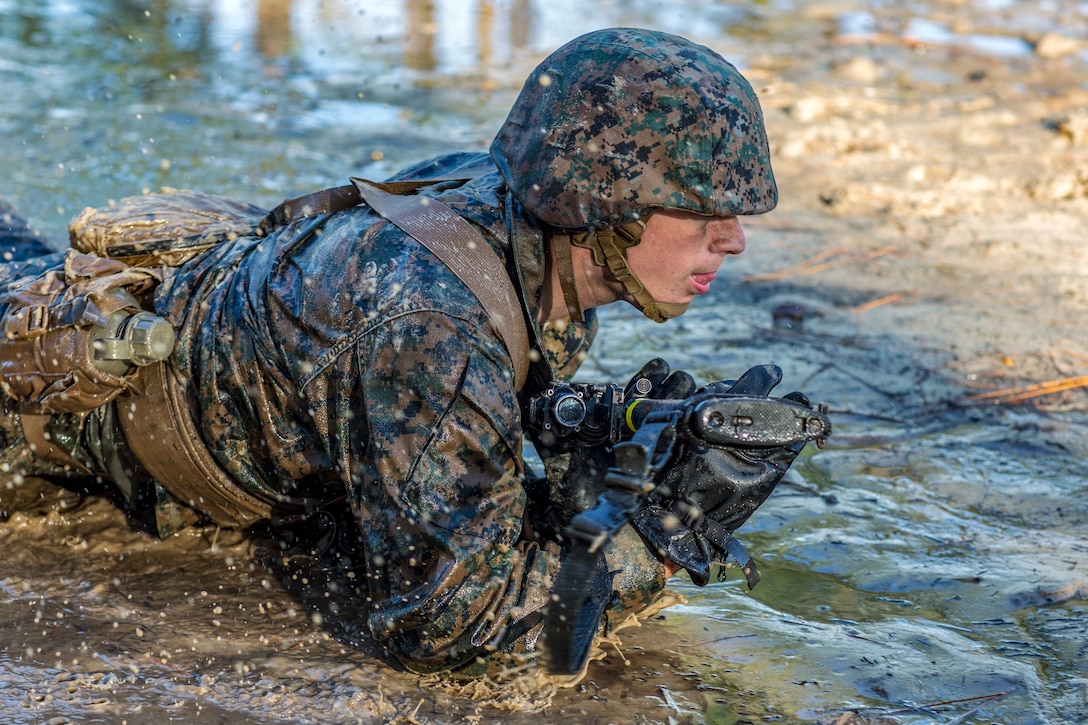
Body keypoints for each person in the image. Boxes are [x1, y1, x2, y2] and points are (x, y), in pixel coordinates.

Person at [0, 27, 809, 677]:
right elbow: (455, 628)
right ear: (603, 203)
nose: (734, 240)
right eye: (703, 209)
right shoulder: (435, 320)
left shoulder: (511, 224)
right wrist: (668, 533)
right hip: (34, 419)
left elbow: (449, 420)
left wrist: (599, 428)